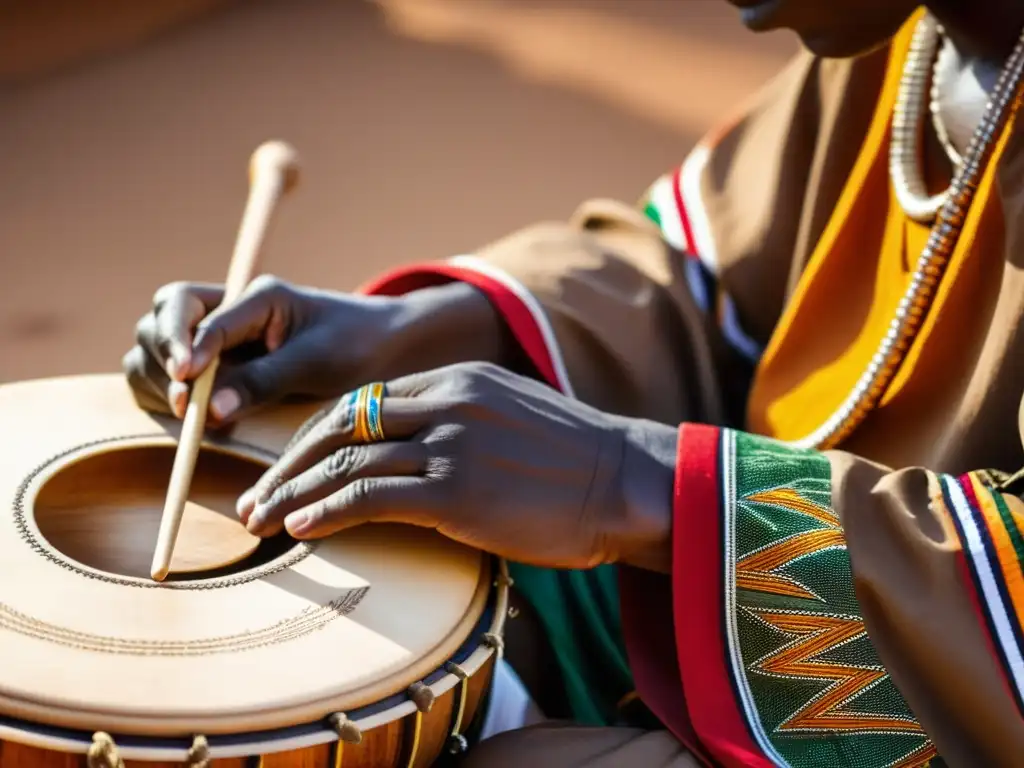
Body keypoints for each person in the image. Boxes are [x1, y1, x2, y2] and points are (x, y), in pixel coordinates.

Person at [123, 1, 1024, 765]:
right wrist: (410, 331)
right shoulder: (906, 40)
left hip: (952, 694)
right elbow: (704, 272)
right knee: (393, 582)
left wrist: (637, 482)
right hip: (773, 550)